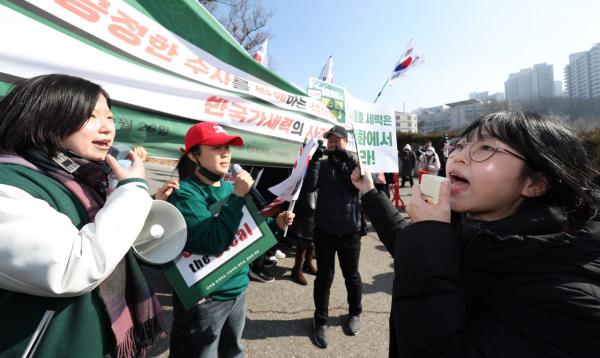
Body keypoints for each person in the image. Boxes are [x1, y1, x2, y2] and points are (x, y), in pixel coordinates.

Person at [350, 111, 600, 358]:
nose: (457, 157)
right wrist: (370, 191)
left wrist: (430, 235)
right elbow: (413, 249)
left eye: (485, 148)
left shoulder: (566, 297)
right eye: (458, 146)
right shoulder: (465, 229)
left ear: (535, 184)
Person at [0, 74, 164, 357]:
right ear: (46, 119)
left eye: (110, 117)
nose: (107, 128)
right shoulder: (9, 182)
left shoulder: (83, 179)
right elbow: (70, 268)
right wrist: (133, 191)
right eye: (90, 116)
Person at [167, 122, 294, 358]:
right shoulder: (185, 194)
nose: (225, 152)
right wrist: (237, 196)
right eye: (215, 147)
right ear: (194, 156)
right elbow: (214, 241)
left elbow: (247, 231)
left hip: (238, 289)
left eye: (227, 146)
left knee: (233, 351)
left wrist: (276, 225)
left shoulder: (229, 187)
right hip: (206, 299)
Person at [305, 125, 363, 349]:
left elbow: (360, 183)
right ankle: (320, 321)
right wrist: (312, 161)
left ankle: (355, 312)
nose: (333, 143)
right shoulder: (322, 163)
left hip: (350, 230)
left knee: (352, 276)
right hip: (324, 231)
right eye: (330, 141)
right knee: (324, 277)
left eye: (337, 140)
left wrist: (346, 159)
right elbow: (310, 185)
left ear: (346, 142)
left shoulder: (355, 162)